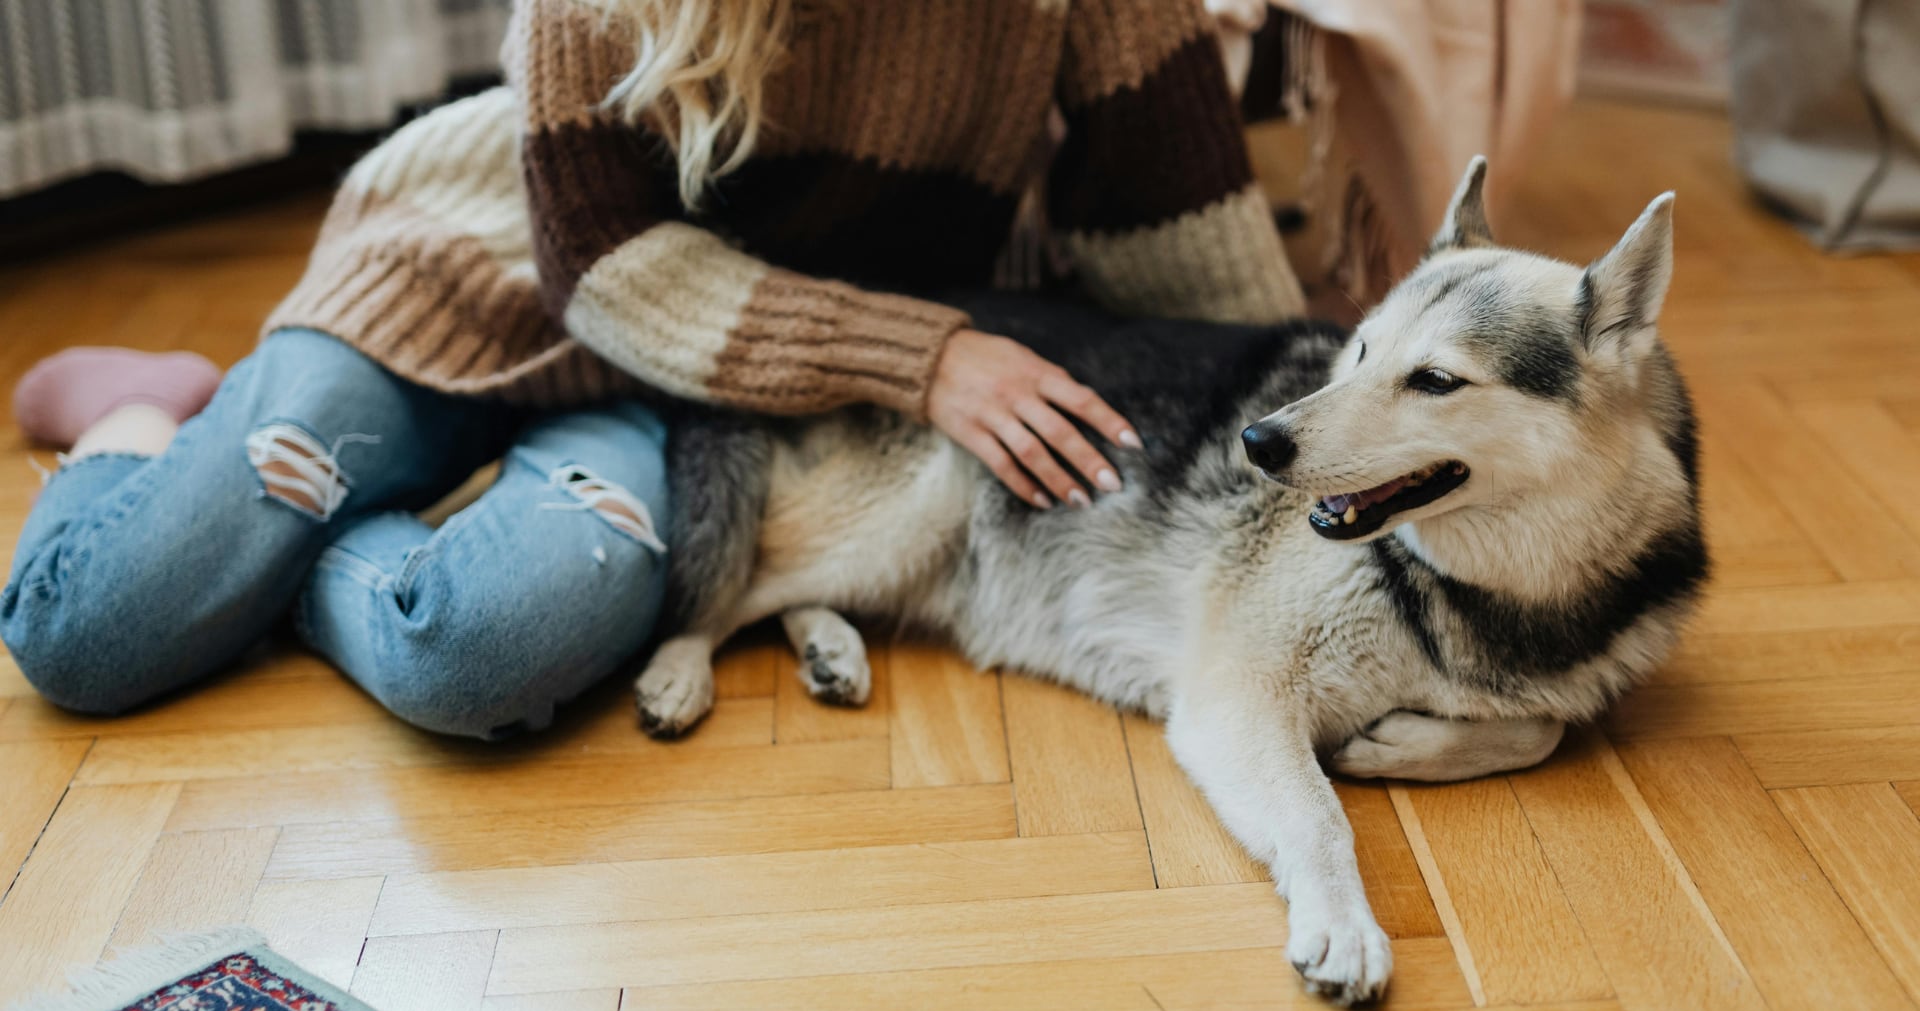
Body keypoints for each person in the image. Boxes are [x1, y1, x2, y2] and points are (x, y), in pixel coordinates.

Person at [2, 0, 1306, 739]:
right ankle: (139, 409)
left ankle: (278, 546)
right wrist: (925, 354)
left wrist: (1315, 437)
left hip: (704, 390)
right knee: (86, 635)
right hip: (465, 281)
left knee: (473, 656)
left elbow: (1182, 240)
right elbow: (606, 271)